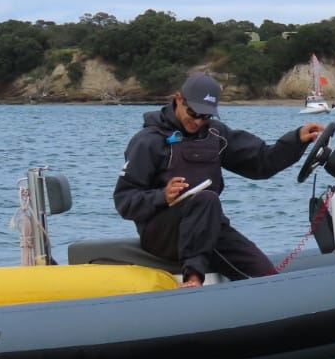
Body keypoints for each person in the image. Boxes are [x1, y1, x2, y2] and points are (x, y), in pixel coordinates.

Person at [113, 73, 323, 288]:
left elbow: (262, 162)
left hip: (207, 226)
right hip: (163, 234)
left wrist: (296, 140)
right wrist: (161, 196)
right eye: (193, 113)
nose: (197, 121)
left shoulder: (216, 134)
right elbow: (124, 200)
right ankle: (193, 278)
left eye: (205, 116)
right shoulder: (148, 141)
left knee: (267, 278)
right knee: (206, 199)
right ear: (178, 99)